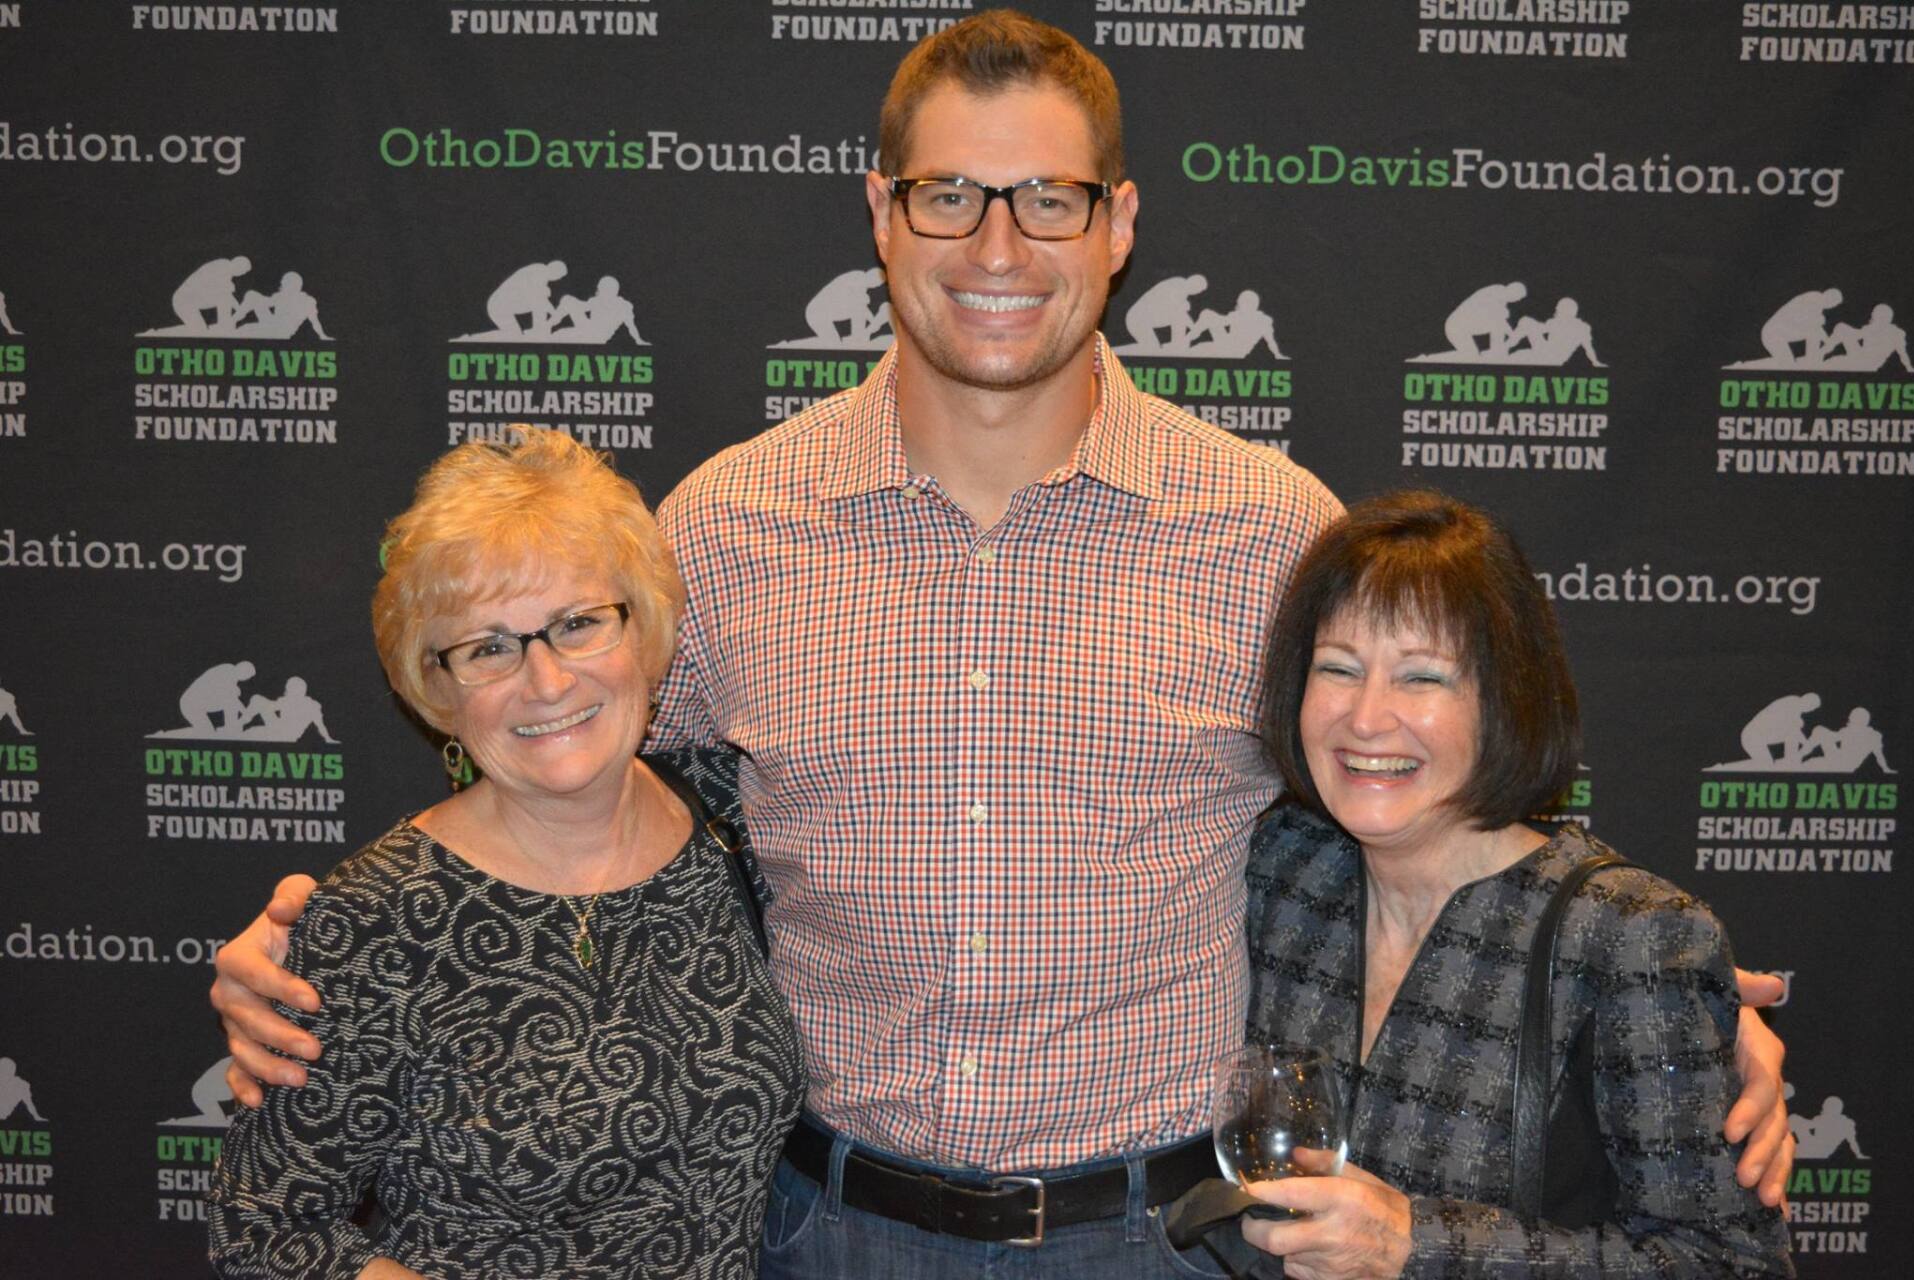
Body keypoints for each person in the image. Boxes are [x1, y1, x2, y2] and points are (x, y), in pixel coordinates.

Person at [210, 13, 1793, 1276]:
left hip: (1165, 1237)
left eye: (1046, 197)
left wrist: (1645, 998)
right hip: (820, 1231)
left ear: (1118, 225)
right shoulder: (725, 528)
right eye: (950, 193)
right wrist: (335, 944)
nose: (996, 245)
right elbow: (579, 794)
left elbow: (1422, 796)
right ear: (882, 214)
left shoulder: (1267, 529)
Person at [206, 431, 805, 1279]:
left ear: (647, 631)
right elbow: (265, 1233)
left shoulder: (731, 818)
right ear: (437, 689)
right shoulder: (380, 917)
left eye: (578, 624)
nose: (548, 680)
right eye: (489, 647)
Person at [1235, 491, 1793, 1277]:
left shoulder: (1632, 936)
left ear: (1505, 700)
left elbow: (1728, 1263)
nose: (1365, 718)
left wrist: (1416, 1245)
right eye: (1339, 668)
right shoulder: (1282, 870)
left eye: (1422, 678)